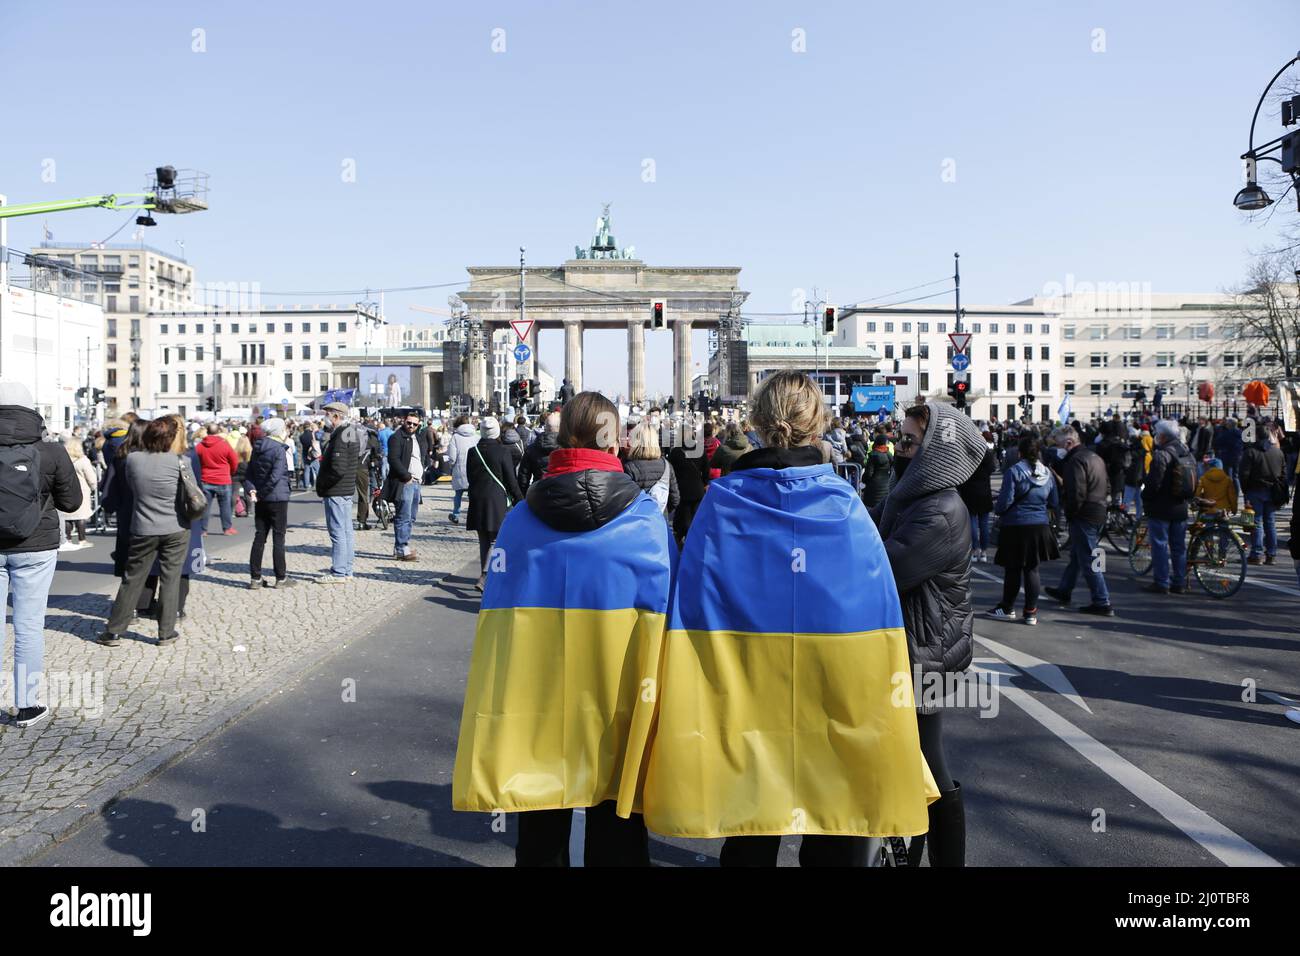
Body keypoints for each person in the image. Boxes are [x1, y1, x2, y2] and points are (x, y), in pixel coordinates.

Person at [643, 372, 936, 866]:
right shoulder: (845, 507)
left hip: (747, 696)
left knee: (751, 826)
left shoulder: (722, 504)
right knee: (834, 822)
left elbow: (692, 608)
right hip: (833, 693)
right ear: (817, 422)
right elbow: (877, 615)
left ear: (756, 422)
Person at [452, 392, 673, 866]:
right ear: (617, 443)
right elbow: (666, 615)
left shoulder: (520, 522)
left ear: (559, 438)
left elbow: (499, 622)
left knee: (540, 813)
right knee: (617, 816)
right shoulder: (646, 521)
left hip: (540, 698)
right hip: (620, 694)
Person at [870, 400, 986, 867]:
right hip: (923, 646)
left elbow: (884, 568)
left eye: (911, 441)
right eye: (901, 438)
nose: (900, 447)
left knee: (925, 761)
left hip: (929, 651)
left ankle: (937, 858)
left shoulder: (938, 511)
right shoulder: (914, 497)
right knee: (918, 757)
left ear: (936, 449)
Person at [0, 383, 82, 728]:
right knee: (29, 626)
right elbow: (72, 503)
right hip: (36, 546)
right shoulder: (51, 451)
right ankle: (26, 705)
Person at [96, 416, 192, 648]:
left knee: (132, 579)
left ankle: (114, 631)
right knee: (170, 579)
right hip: (175, 526)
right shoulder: (181, 461)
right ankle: (166, 632)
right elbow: (191, 493)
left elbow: (132, 488)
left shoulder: (133, 460)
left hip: (143, 526)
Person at [1041, 425, 1114, 615]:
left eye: (1058, 444)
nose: (1057, 448)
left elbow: (1077, 492)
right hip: (1098, 509)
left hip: (1084, 513)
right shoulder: (1094, 457)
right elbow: (1106, 485)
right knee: (1078, 555)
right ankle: (1065, 589)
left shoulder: (1076, 461)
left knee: (1089, 557)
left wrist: (1071, 513)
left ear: (1068, 442)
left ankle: (1102, 600)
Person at [989, 434, 1059, 624]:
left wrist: (998, 509)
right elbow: (1054, 501)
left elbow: (1005, 502)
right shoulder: (1047, 473)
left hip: (1016, 524)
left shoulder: (1015, 471)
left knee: (1012, 569)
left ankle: (1007, 607)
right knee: (1032, 569)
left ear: (1019, 453)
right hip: (1040, 525)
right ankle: (1031, 612)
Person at [465, 416, 523, 589]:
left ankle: (486, 574)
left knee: (484, 539)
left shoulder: (472, 451)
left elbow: (470, 477)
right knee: (497, 540)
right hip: (496, 500)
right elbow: (511, 480)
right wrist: (520, 500)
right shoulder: (502, 451)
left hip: (477, 499)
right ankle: (488, 576)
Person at [1141, 419, 1197, 595]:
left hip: (1161, 506)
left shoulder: (1162, 454)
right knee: (1179, 547)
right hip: (1181, 505)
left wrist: (1146, 497)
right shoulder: (1187, 452)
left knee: (1160, 545)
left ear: (1163, 436)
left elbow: (1154, 482)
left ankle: (1162, 582)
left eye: (1157, 434)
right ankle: (1179, 582)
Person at [247, 417, 295, 589]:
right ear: (279, 431)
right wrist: (262, 493)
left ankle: (255, 578)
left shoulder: (257, 447)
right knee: (278, 538)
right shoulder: (278, 450)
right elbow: (276, 476)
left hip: (262, 499)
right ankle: (281, 578)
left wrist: (254, 491)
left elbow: (250, 473)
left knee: (259, 537)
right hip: (277, 497)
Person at [315, 402, 360, 582]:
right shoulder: (350, 431)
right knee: (346, 531)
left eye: (327, 414)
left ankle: (340, 571)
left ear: (335, 416)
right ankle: (346, 568)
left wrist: (324, 485)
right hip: (345, 488)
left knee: (338, 532)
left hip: (337, 489)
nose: (324, 417)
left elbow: (338, 468)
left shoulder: (342, 434)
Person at [383, 410, 430, 561]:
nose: (411, 426)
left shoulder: (417, 437)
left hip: (416, 482)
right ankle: (401, 548)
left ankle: (404, 545)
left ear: (419, 425)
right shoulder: (397, 437)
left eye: (414, 424)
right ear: (404, 421)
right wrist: (406, 476)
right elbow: (393, 459)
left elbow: (421, 456)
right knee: (403, 516)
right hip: (405, 482)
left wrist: (423, 471)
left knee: (412, 516)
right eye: (409, 423)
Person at [1239, 422, 1286, 565]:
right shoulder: (1278, 452)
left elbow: (1244, 474)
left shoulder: (1251, 452)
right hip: (1272, 490)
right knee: (1270, 523)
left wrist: (1245, 490)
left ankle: (1257, 554)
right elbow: (1283, 473)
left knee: (1257, 523)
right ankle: (1271, 554)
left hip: (1255, 489)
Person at [621, 420, 680, 519]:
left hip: (637, 522)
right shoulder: (666, 465)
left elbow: (624, 501)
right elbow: (675, 499)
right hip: (660, 521)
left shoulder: (628, 467)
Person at [195, 422, 239, 535]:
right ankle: (227, 528)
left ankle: (203, 529)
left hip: (206, 478)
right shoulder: (225, 445)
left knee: (205, 507)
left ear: (207, 432)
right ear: (218, 432)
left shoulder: (200, 446)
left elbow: (195, 461)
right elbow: (234, 461)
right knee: (225, 506)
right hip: (223, 479)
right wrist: (230, 472)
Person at [958, 443, 995, 563]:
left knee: (972, 523)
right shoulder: (987, 454)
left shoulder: (966, 455)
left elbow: (961, 475)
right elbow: (992, 469)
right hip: (984, 492)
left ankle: (975, 549)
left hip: (969, 492)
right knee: (983, 524)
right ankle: (984, 551)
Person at [60, 437, 98, 550]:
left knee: (68, 516)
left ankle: (68, 539)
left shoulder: (63, 459)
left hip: (66, 489)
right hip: (81, 490)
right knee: (81, 515)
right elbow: (91, 478)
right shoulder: (83, 460)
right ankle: (82, 539)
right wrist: (93, 487)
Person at [444, 415, 477, 523]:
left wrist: (451, 465)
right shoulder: (476, 435)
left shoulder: (455, 437)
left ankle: (456, 514)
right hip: (474, 469)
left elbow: (452, 456)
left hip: (460, 469)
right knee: (473, 495)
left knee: (458, 495)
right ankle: (473, 515)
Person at [518, 411, 560, 495]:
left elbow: (523, 476)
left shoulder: (531, 448)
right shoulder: (567, 446)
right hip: (561, 493)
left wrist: (525, 495)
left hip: (538, 492)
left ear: (545, 427)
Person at [861, 435, 892, 508]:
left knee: (870, 512)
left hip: (873, 488)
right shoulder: (889, 454)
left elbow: (869, 473)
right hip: (886, 487)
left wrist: (863, 480)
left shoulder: (873, 455)